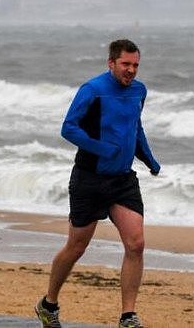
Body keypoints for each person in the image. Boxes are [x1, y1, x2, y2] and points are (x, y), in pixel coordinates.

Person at [35, 39, 160, 328]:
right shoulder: (92, 90)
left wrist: (149, 159)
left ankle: (128, 315)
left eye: (136, 65)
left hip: (122, 180)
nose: (131, 71)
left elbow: (135, 127)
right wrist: (102, 149)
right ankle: (48, 303)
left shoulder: (139, 91)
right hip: (89, 179)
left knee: (136, 243)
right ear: (111, 63)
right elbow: (68, 128)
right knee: (76, 246)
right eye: (126, 64)